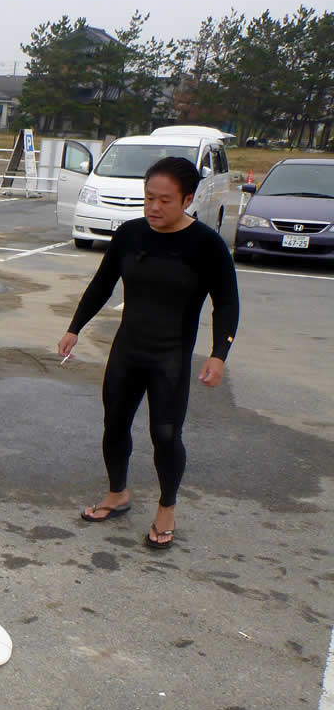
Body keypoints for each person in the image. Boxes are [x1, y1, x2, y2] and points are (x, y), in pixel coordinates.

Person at [57, 156, 239, 550]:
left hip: (170, 356)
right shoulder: (131, 234)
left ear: (188, 199)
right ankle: (117, 494)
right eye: (148, 198)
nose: (154, 207)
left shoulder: (206, 245)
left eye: (165, 200)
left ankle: (166, 509)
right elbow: (102, 284)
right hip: (128, 349)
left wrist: (218, 354)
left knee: (166, 434)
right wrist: (75, 327)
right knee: (114, 424)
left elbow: (226, 302)